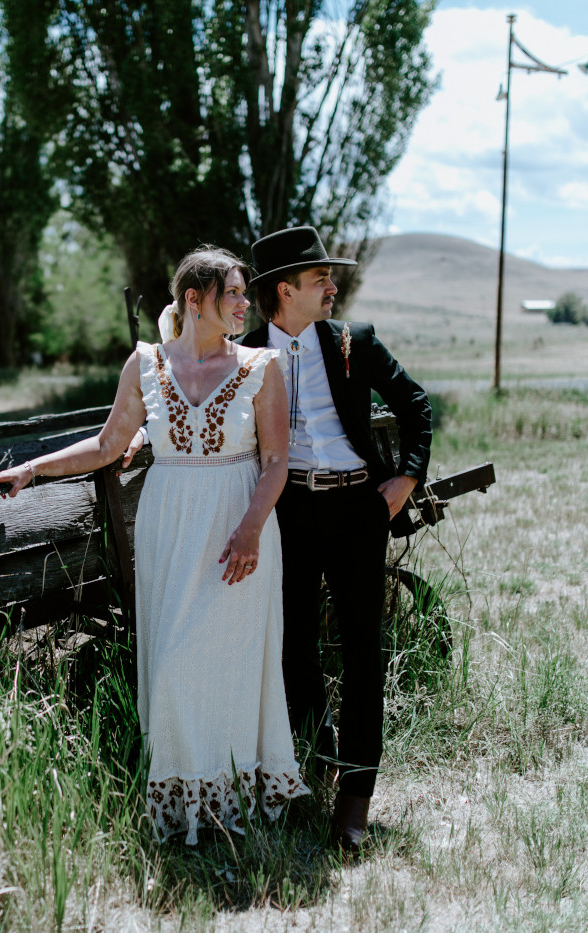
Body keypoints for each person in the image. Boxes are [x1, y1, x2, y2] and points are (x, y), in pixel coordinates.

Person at [0, 247, 309, 844]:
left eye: (243, 294)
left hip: (238, 526)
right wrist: (33, 467)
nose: (244, 304)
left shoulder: (264, 366)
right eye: (233, 293)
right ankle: (185, 801)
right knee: (173, 665)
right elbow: (109, 445)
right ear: (194, 299)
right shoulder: (145, 365)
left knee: (231, 664)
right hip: (170, 527)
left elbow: (276, 460)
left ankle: (229, 797)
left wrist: (250, 527)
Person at [239, 225, 432, 851]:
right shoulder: (243, 355)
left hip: (356, 508)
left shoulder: (355, 342)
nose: (333, 285)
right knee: (294, 648)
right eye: (320, 277)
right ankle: (316, 762)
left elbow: (415, 403)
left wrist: (406, 476)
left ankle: (354, 803)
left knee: (362, 652)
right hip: (286, 512)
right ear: (284, 291)